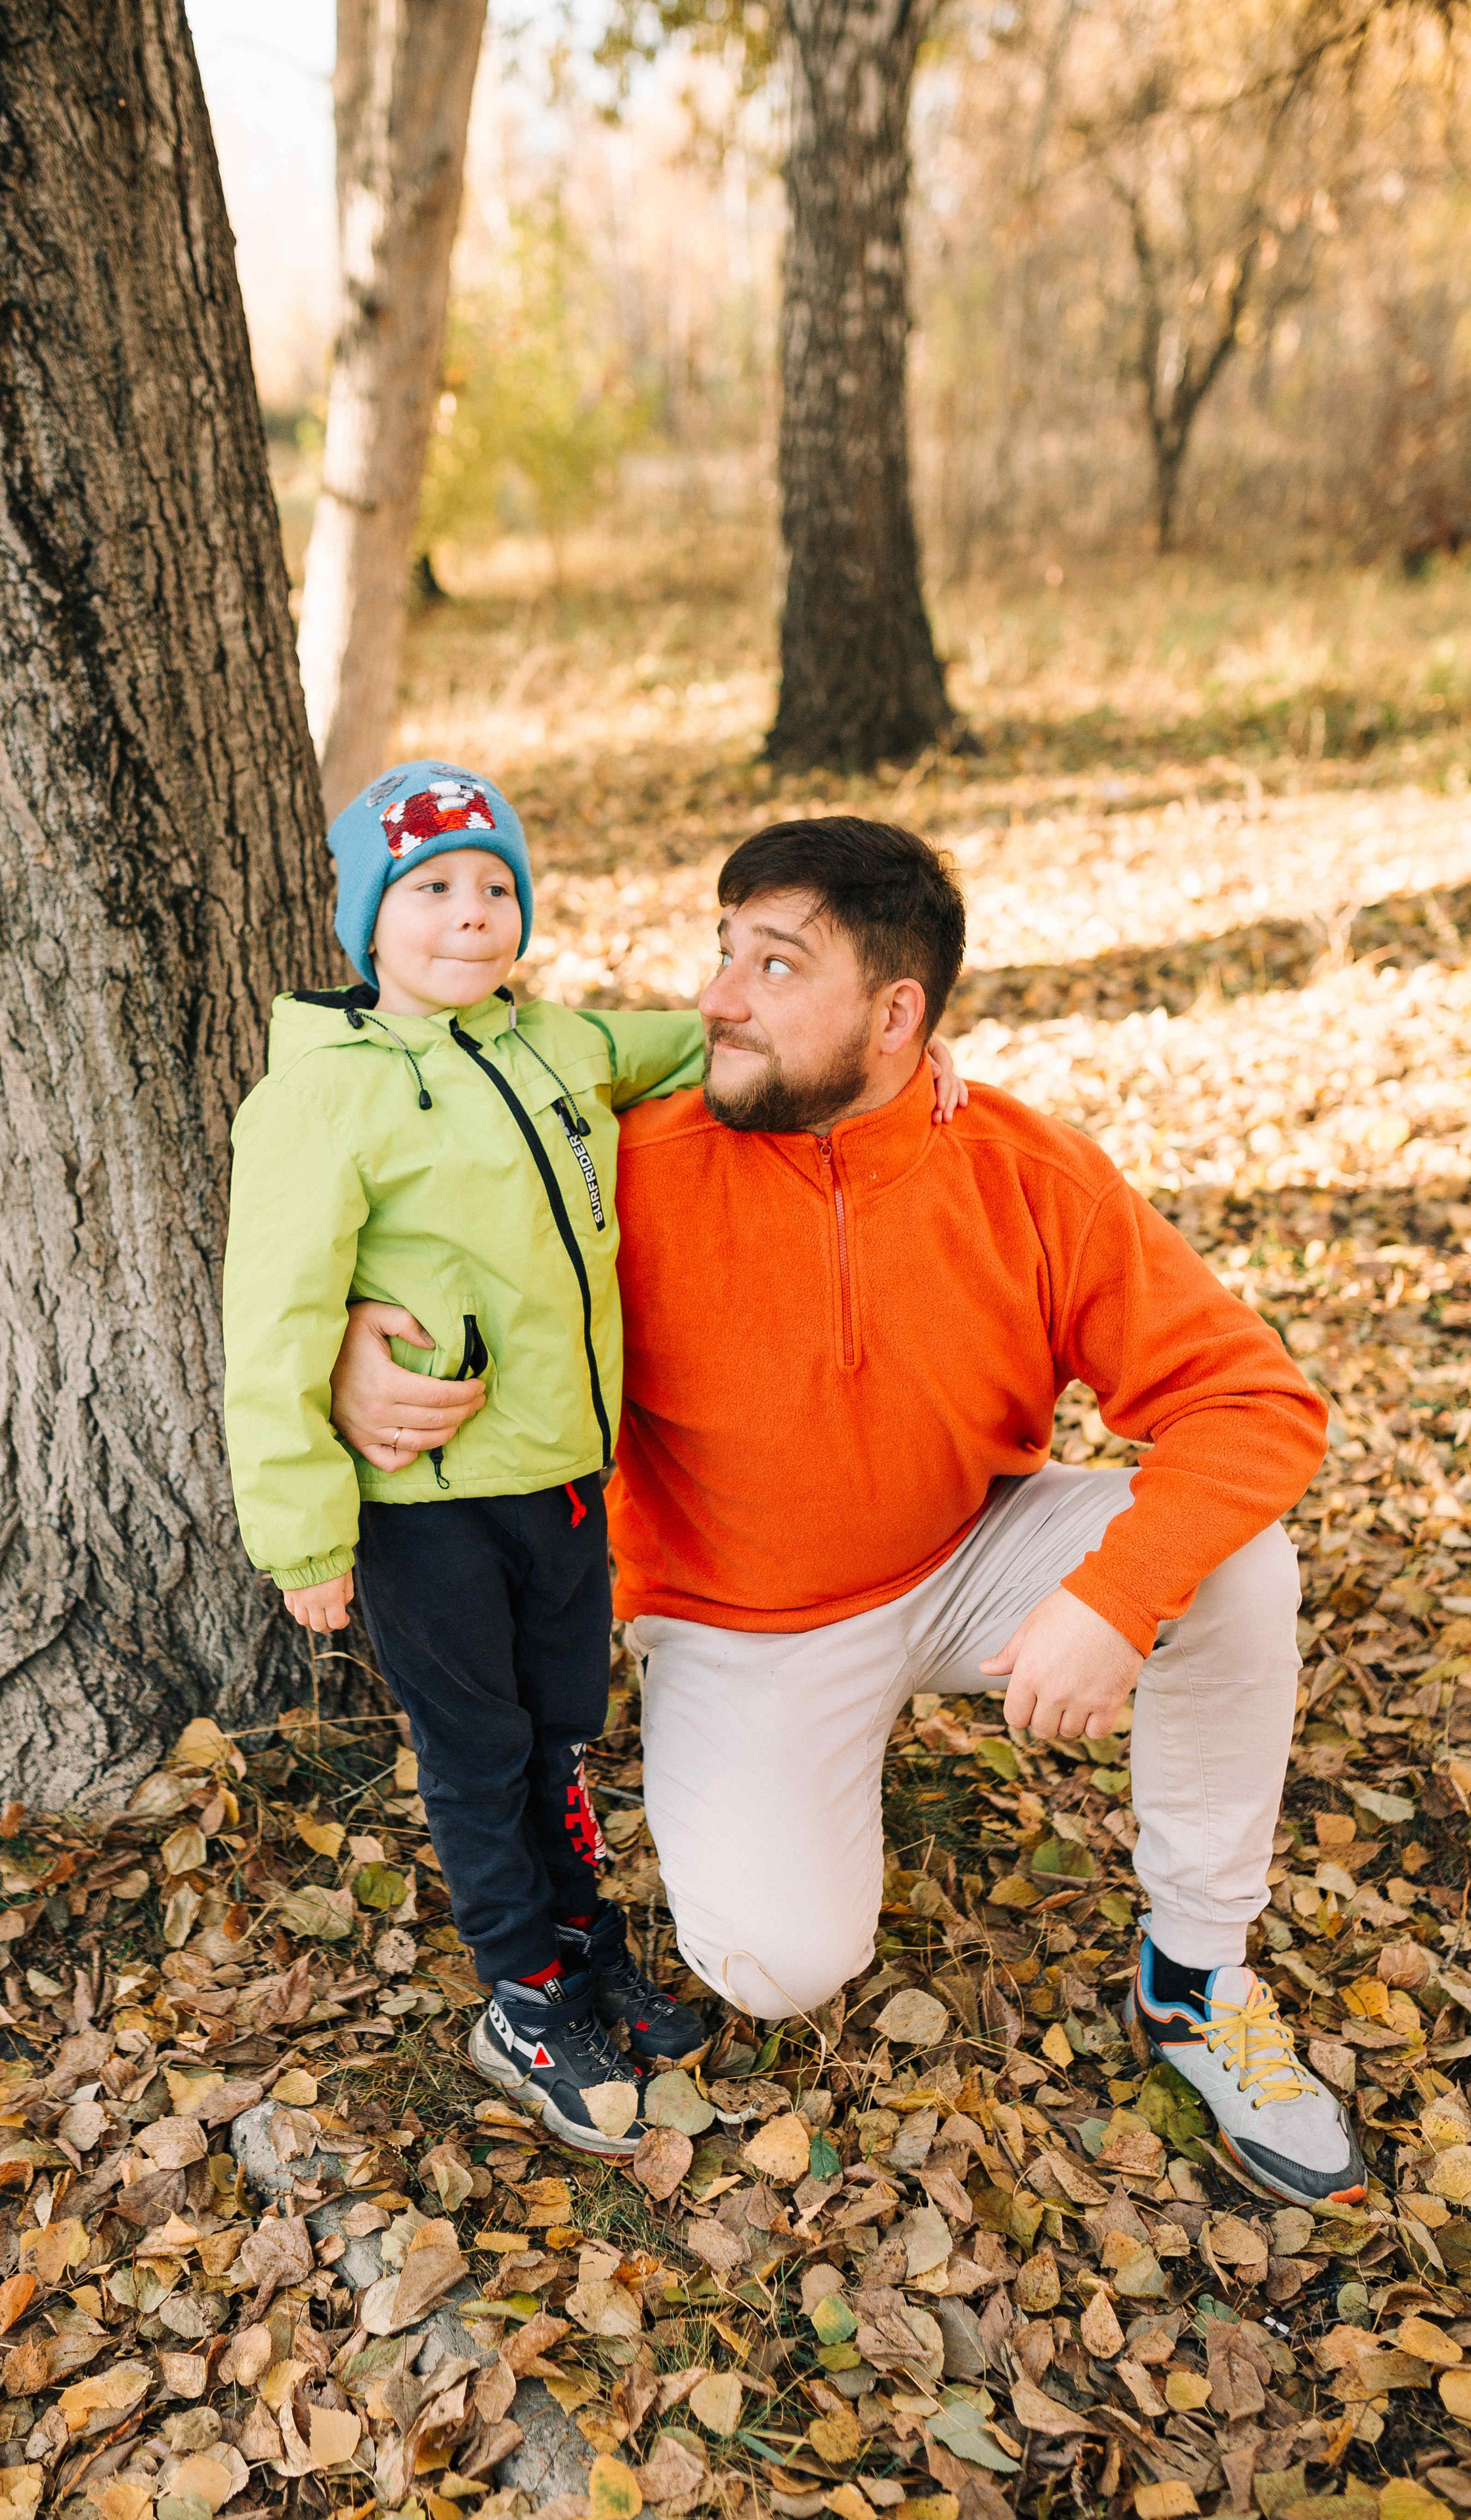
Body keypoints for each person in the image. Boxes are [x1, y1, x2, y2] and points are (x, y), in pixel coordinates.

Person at [331, 814, 1367, 2211]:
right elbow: (404, 1212)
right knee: (776, 1964)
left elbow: (1252, 1402)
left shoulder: (1017, 1167)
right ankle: (811, 1778)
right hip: (737, 1617)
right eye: (721, 952)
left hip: (966, 1554)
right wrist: (350, 1352)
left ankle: (1195, 1979)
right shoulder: (626, 1161)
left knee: (1236, 1559)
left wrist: (1114, 1599)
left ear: (896, 1014)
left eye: (772, 965)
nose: (712, 998)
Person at [222, 763, 963, 2156]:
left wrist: (902, 1062)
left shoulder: (556, 1044)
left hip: (562, 1483)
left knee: (559, 1727)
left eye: (495, 886)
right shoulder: (323, 1100)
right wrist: (305, 1535)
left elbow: (705, 1047)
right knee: (476, 1751)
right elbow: (270, 1322)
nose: (470, 913)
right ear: (367, 921)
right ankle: (519, 1987)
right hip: (423, 1507)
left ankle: (586, 1944)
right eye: (431, 889)